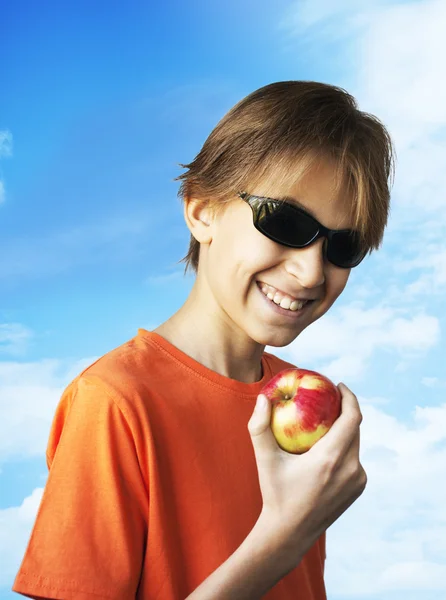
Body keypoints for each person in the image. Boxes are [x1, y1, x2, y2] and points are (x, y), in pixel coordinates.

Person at [12, 80, 395, 600]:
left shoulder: (307, 400)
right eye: (284, 221)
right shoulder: (116, 402)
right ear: (201, 211)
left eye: (342, 246)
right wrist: (279, 543)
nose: (310, 273)